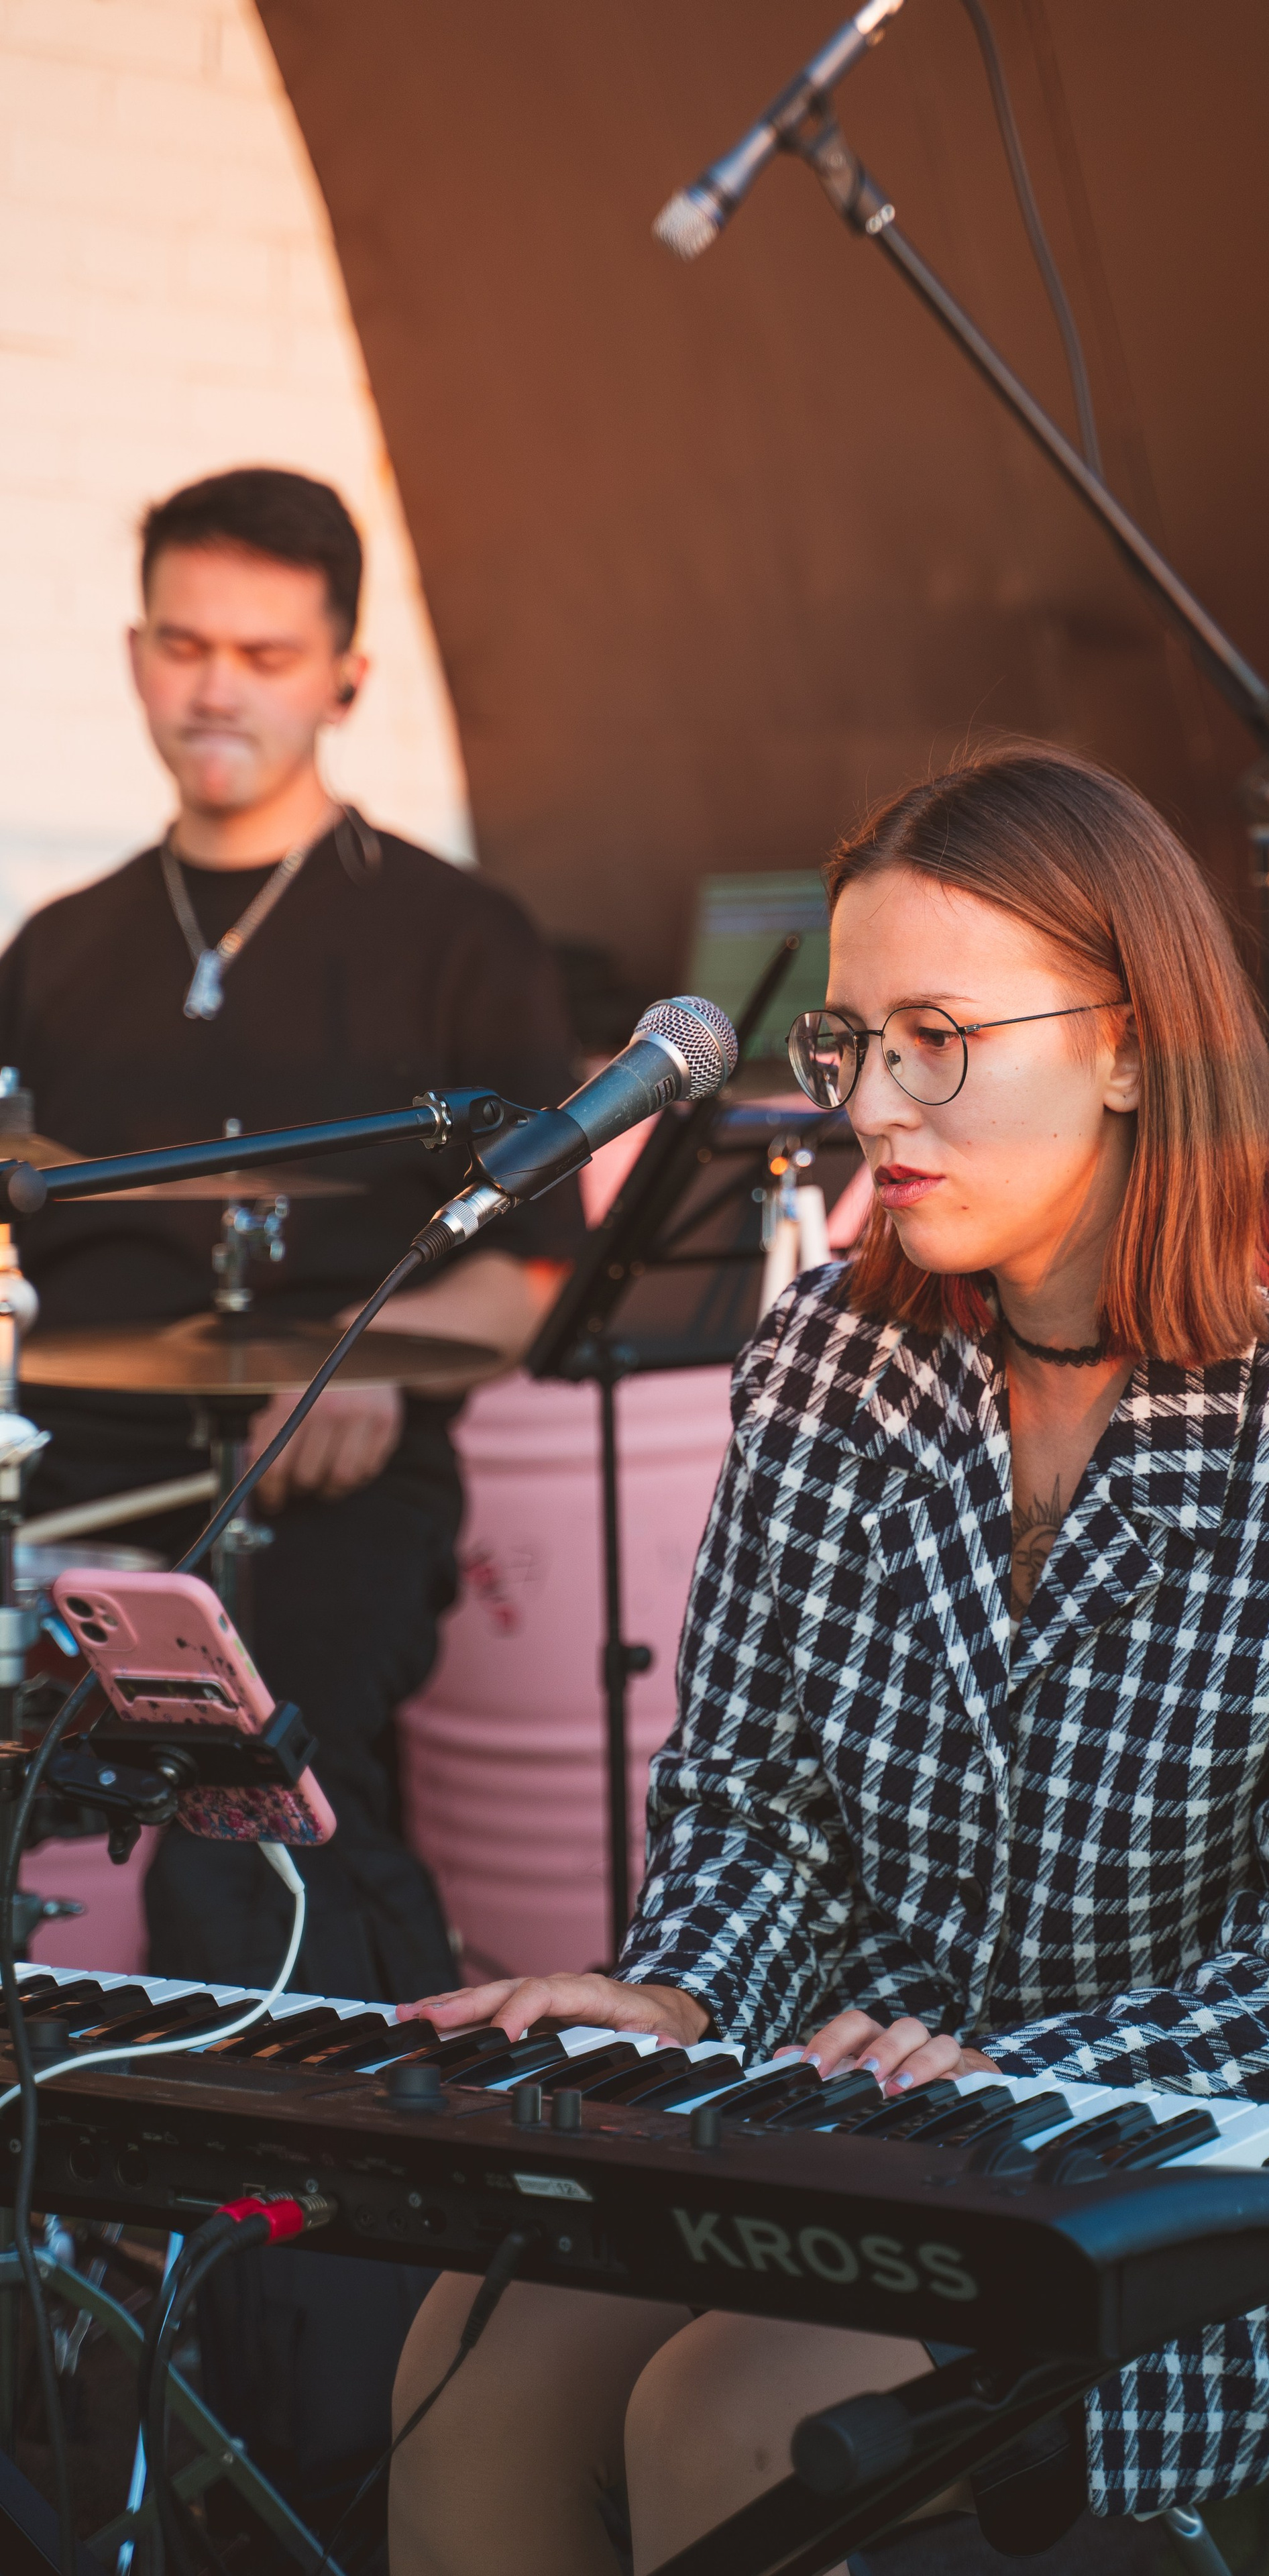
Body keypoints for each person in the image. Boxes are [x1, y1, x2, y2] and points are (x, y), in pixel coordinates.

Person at [391, 745, 1269, 2575]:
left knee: (734, 2410)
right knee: (474, 2351)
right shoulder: (829, 1355)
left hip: (1196, 2207)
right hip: (833, 2144)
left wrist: (1010, 2083)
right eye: (845, 1045)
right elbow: (758, 1810)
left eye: (938, 1038)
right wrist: (678, 1999)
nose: (871, 1108)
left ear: (1133, 1045)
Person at [0, 465, 584, 2528]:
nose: (215, 689)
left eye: (263, 653)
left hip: (332, 1498)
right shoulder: (59, 948)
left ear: (344, 668)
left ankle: (316, 2346)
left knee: (256, 1828)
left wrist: (382, 1367)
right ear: (136, 650)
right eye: (182, 643)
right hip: (79, 1492)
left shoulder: (454, 936)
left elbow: (536, 1259)